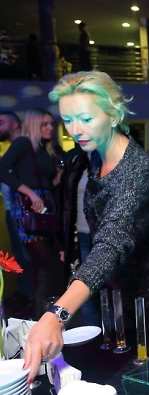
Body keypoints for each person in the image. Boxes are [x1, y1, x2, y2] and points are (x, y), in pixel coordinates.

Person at [23, 71, 149, 382]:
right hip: (117, 292)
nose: (75, 130)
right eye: (68, 120)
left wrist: (57, 315)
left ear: (114, 114)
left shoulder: (137, 171)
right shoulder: (94, 155)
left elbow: (111, 242)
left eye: (85, 119)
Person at [0, 108, 64, 321]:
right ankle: (39, 319)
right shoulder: (23, 143)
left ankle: (43, 316)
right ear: (34, 125)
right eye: (44, 124)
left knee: (49, 267)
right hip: (29, 209)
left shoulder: (44, 148)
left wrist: (56, 180)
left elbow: (43, 180)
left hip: (46, 209)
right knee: (43, 266)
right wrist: (28, 192)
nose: (50, 128)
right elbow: (1, 169)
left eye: (51, 124)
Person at [59, 143, 97, 326]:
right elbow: (66, 202)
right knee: (83, 288)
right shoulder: (77, 161)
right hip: (81, 234)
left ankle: (112, 334)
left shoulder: (110, 161)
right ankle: (93, 335)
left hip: (104, 236)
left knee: (107, 289)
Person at [0, 111, 31, 303]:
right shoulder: (17, 147)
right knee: (20, 255)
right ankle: (25, 297)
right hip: (13, 210)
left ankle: (28, 299)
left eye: (1, 123)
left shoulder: (21, 144)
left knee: (25, 256)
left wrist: (29, 192)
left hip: (21, 212)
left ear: (14, 125)